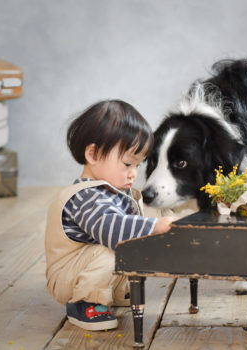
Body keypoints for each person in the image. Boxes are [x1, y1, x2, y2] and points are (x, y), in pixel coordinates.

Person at [45, 100, 176, 331]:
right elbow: (111, 228)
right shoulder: (86, 196)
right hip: (68, 277)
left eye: (138, 165)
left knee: (125, 247)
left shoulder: (113, 193)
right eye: (127, 163)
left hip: (86, 269)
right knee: (112, 248)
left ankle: (110, 292)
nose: (133, 174)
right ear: (93, 154)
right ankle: (83, 302)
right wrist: (154, 226)